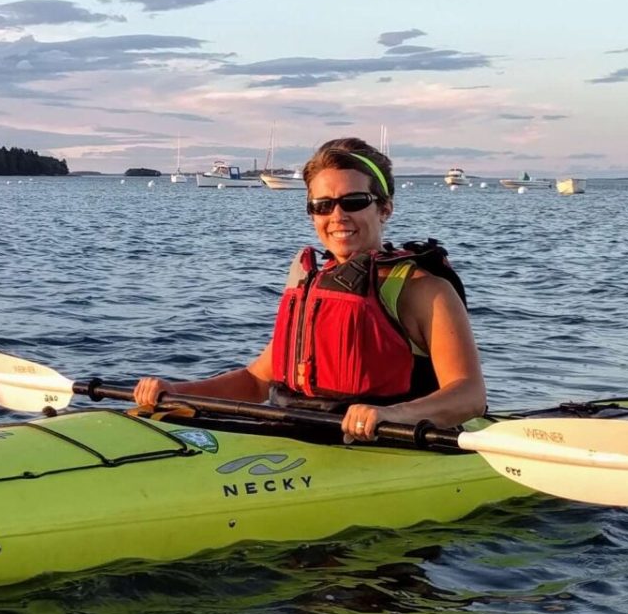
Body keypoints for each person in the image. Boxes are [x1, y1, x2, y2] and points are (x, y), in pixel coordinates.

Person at [134, 137, 487, 442]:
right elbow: (257, 380)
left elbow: (469, 396)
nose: (338, 216)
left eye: (354, 202)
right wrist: (176, 391)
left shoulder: (423, 290)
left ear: (385, 209)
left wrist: (394, 414)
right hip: (294, 431)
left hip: (383, 442)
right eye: (323, 205)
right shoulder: (311, 283)